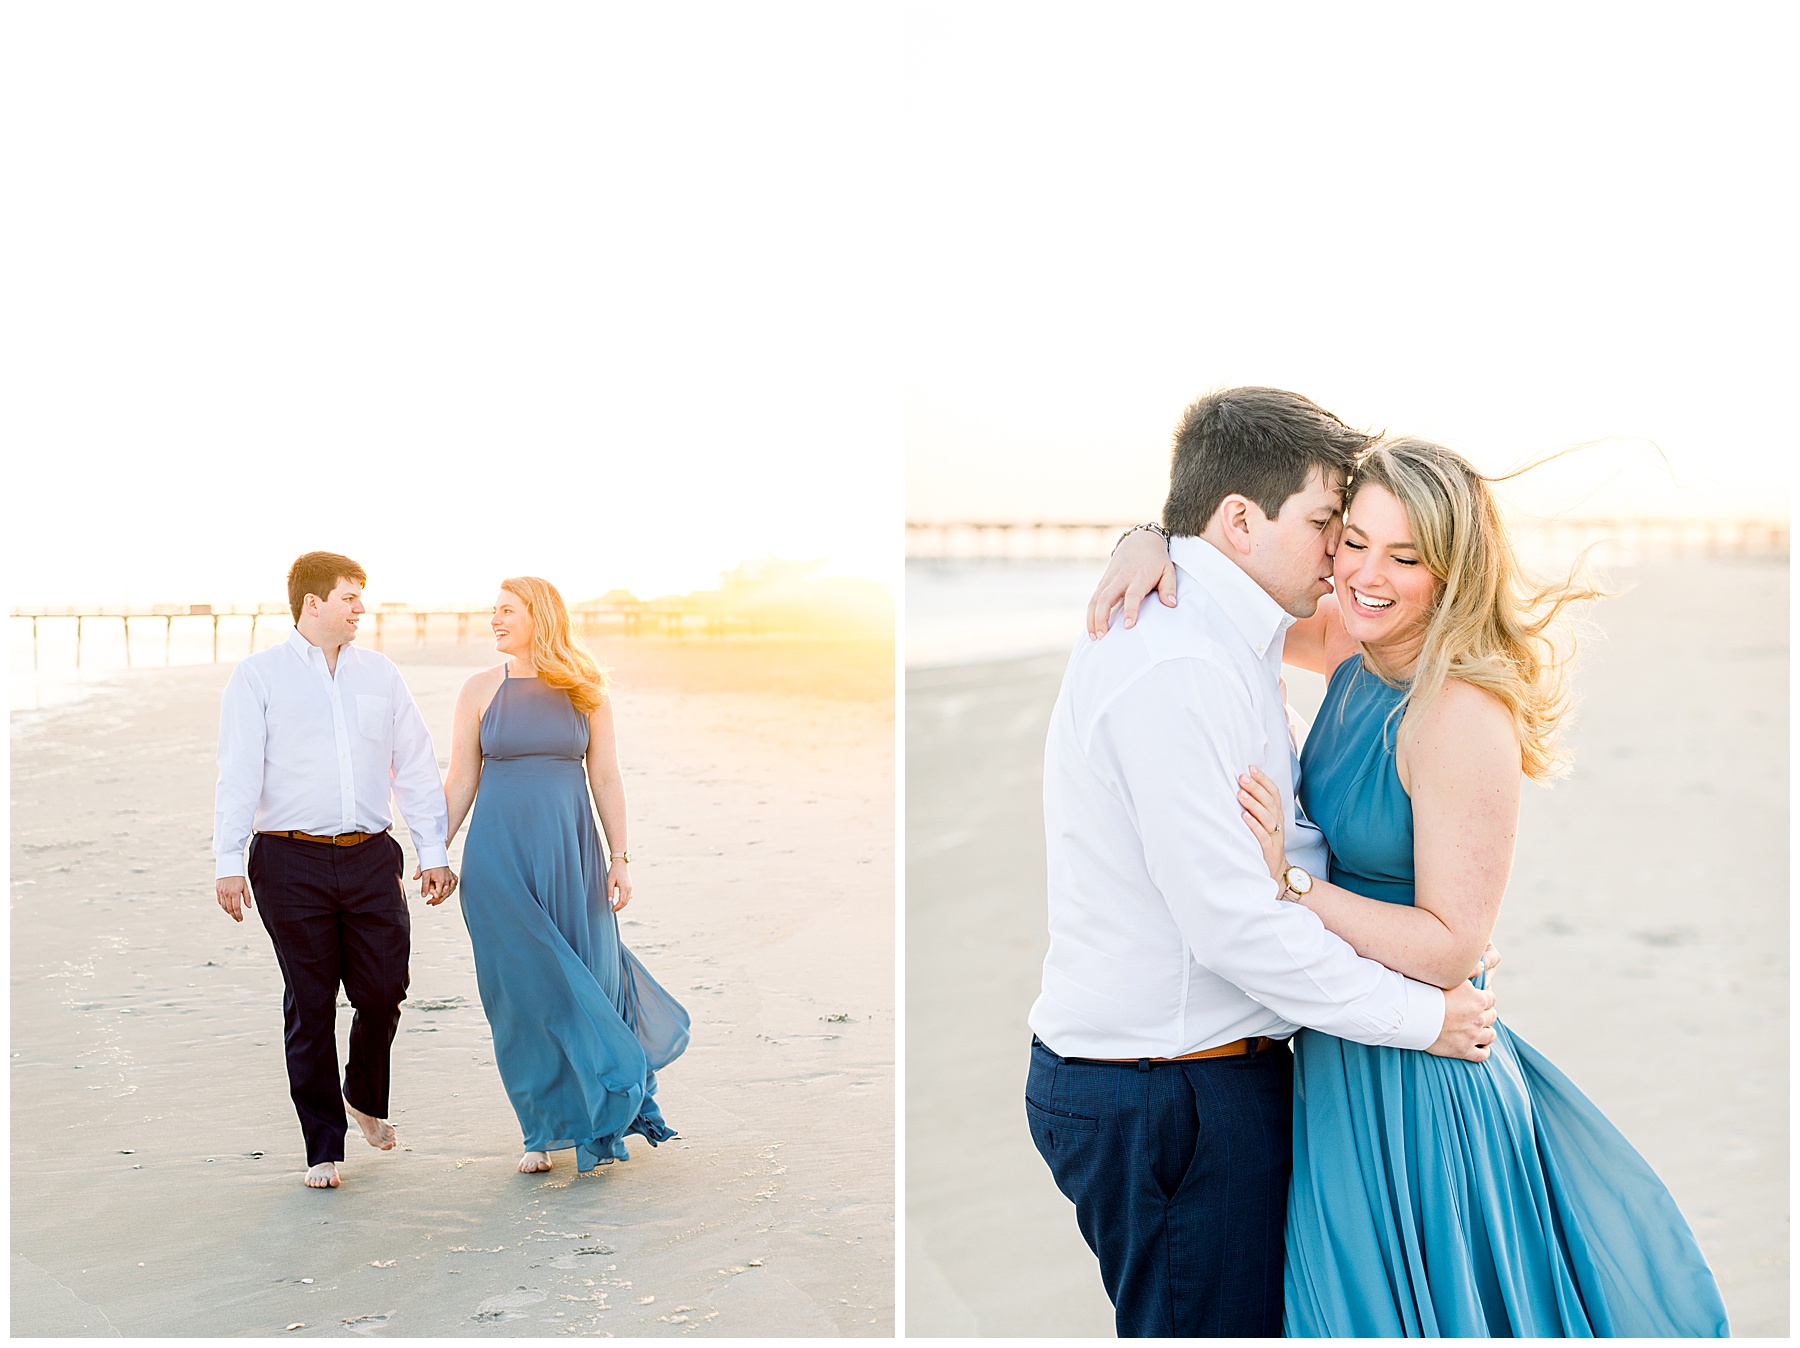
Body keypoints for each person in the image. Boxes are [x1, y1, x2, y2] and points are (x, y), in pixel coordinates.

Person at [1093, 434, 1729, 1335]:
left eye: (1405, 557)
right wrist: (1146, 540)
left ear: (1454, 570)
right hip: (1338, 1048)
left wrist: (1290, 884)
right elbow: (1231, 585)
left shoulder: (1457, 711)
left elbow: (1451, 946)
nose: (1365, 575)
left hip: (1418, 1079)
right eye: (1352, 540)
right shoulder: (1356, 650)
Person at [1027, 389, 1501, 1338]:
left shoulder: (1240, 633)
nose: (1345, 560)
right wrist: (1420, 1017)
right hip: (1173, 1089)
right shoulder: (1182, 663)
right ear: (1242, 520)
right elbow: (1238, 926)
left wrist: (1152, 536)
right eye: (1334, 527)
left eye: (1385, 547)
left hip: (1257, 1069)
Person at [213, 551, 456, 1189]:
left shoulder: (381, 675)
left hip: (372, 856)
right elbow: (238, 774)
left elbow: (418, 765)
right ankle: (324, 1146)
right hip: (287, 859)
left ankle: (365, 1097)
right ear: (312, 603)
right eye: (349, 597)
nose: (360, 609)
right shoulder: (258, 677)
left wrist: (434, 851)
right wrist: (227, 860)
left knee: (383, 991)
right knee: (312, 1002)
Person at [437, 576, 689, 1175]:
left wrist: (620, 857)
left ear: (539, 616)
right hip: (498, 860)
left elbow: (605, 777)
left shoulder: (585, 687)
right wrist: (431, 852)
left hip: (573, 858)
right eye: (492, 610)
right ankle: (541, 1129)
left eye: (506, 610)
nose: (493, 619)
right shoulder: (478, 690)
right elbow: (461, 780)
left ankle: (596, 1122)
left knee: (588, 982)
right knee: (520, 996)